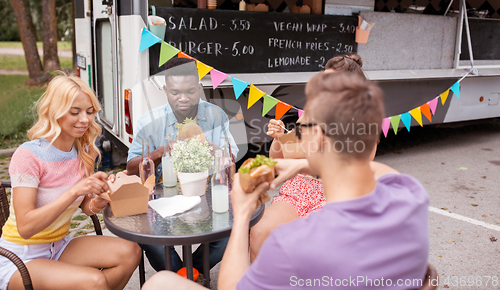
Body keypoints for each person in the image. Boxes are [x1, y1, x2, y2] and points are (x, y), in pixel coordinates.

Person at [141, 71, 430, 290]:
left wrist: (242, 215)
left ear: (317, 138)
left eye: (303, 128)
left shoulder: (294, 244)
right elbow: (376, 169)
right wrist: (304, 163)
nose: (300, 133)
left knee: (160, 283)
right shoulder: (409, 196)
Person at [0, 74, 141, 290]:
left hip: (58, 247)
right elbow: (26, 227)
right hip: (20, 257)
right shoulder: (28, 156)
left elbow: (87, 206)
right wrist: (74, 191)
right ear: (54, 111)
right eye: (75, 112)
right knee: (94, 282)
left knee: (131, 252)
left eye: (89, 111)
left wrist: (100, 198)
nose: (84, 119)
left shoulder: (84, 152)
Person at [249, 53, 367, 261]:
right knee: (259, 232)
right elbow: (280, 159)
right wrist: (279, 138)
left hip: (335, 196)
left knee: (312, 248)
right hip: (300, 189)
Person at [126, 57, 238, 273]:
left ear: (199, 87)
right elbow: (131, 167)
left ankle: (186, 277)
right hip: (161, 199)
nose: (183, 99)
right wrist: (160, 152)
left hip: (208, 196)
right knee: (152, 241)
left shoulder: (216, 116)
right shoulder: (149, 121)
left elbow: (231, 158)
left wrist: (216, 150)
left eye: (190, 91)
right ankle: (184, 279)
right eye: (175, 93)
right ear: (166, 89)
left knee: (229, 234)